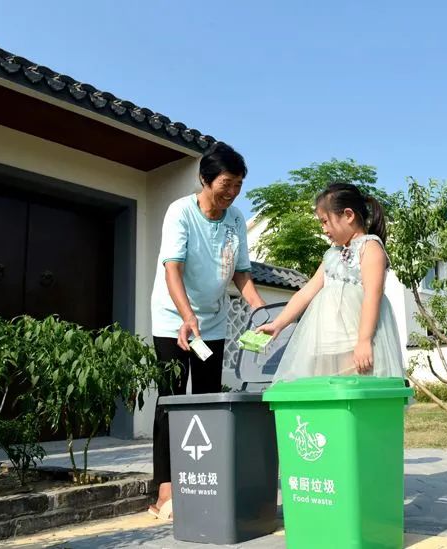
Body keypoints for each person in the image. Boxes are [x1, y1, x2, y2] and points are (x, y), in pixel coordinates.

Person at [148, 142, 265, 519]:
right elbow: (172, 270)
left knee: (207, 400)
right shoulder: (180, 212)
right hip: (174, 320)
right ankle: (165, 488)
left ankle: (203, 478)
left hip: (211, 323)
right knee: (170, 398)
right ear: (205, 179)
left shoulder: (235, 220)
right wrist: (187, 317)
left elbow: (242, 274)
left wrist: (261, 310)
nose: (232, 193)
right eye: (226, 184)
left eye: (238, 185)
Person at [256, 182, 404, 380]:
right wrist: (278, 324)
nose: (323, 229)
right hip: (327, 340)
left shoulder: (370, 247)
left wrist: (364, 340)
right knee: (323, 386)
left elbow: (372, 296)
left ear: (348, 215)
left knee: (354, 385)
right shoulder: (332, 254)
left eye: (325, 221)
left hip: (355, 338)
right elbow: (306, 293)